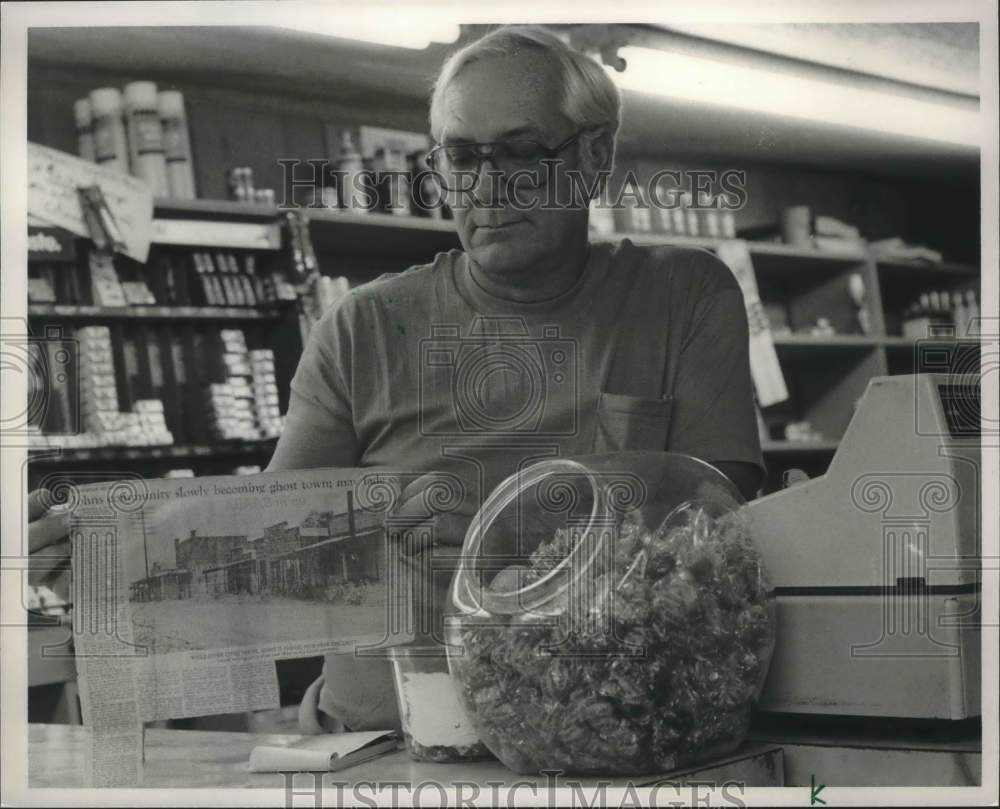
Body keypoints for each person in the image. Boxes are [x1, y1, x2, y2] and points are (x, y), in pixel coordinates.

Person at [29, 25, 764, 734]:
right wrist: (109, 568)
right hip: (382, 743)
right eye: (462, 156)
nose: (486, 186)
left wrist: (501, 533)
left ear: (595, 155)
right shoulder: (362, 327)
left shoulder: (683, 296)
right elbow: (263, 551)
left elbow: (717, 532)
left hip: (607, 731)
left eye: (520, 152)